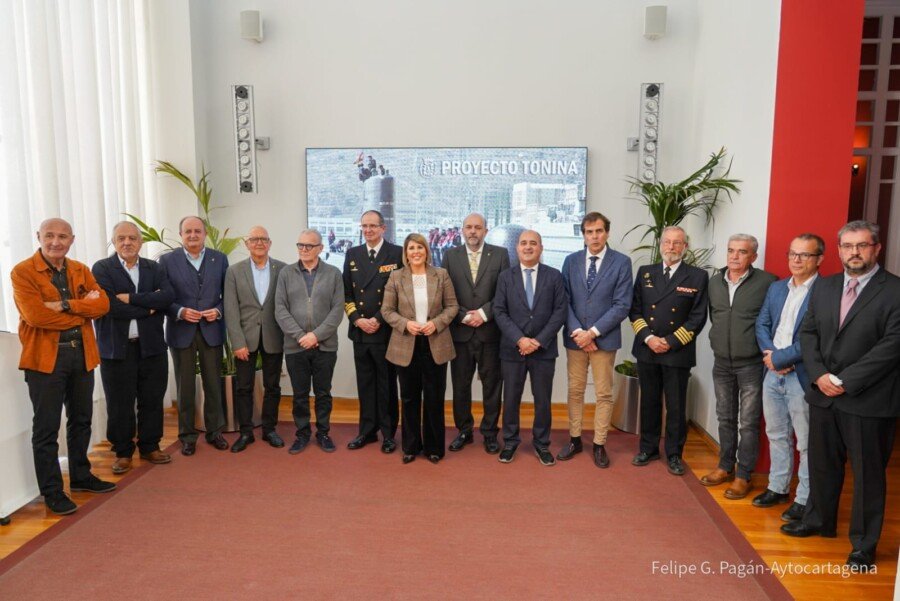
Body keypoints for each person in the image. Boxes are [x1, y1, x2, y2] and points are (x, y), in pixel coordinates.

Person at [782, 221, 900, 570]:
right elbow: (808, 333)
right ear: (838, 250)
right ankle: (819, 520)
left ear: (876, 249)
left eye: (862, 246)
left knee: (867, 476)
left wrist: (846, 380)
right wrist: (819, 375)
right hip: (824, 394)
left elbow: (892, 346)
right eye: (847, 246)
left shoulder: (894, 290)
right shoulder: (826, 287)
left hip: (869, 400)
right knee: (822, 464)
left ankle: (864, 544)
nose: (854, 253)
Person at [11, 218, 114, 515]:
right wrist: (84, 310)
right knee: (46, 428)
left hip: (81, 355)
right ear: (39, 237)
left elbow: (103, 306)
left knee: (81, 419)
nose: (56, 242)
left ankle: (81, 477)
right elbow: (36, 317)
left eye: (62, 237)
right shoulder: (23, 272)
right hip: (45, 360)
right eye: (50, 236)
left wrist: (66, 305)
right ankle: (52, 492)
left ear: (72, 240)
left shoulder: (80, 269)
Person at [92, 221, 175, 474]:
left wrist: (132, 299)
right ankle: (123, 452)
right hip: (116, 349)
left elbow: (167, 297)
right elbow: (109, 307)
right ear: (114, 242)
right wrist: (149, 307)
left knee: (151, 399)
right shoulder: (102, 268)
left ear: (140, 242)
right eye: (121, 238)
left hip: (151, 347)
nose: (127, 242)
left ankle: (150, 446)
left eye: (132, 238)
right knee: (120, 402)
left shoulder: (154, 267)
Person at [701, 234, 777, 499]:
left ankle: (744, 475)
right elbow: (715, 317)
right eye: (731, 250)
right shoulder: (714, 283)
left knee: (748, 422)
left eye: (741, 252)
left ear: (753, 257)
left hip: (751, 365)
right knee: (725, 417)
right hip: (721, 362)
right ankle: (725, 467)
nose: (734, 256)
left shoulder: (768, 283)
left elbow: (772, 322)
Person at [754, 233, 823, 520]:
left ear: (819, 259)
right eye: (792, 253)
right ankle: (778, 487)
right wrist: (771, 356)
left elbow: (816, 337)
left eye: (804, 255)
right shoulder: (777, 288)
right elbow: (762, 323)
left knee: (805, 441)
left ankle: (804, 498)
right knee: (776, 434)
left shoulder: (825, 292)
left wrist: (782, 359)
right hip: (772, 373)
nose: (796, 259)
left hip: (801, 374)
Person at [630, 226, 709, 476]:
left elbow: (698, 317)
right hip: (648, 349)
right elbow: (635, 310)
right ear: (661, 244)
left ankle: (674, 454)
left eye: (677, 243)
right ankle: (648, 448)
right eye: (667, 242)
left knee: (675, 407)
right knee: (650, 402)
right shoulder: (646, 273)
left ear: (685, 247)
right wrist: (650, 338)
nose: (671, 247)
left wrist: (671, 342)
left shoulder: (697, 276)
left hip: (677, 351)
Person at [559, 212, 632, 467]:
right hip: (575, 339)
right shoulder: (570, 261)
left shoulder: (622, 262)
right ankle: (575, 439)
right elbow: (564, 301)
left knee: (603, 393)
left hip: (604, 339)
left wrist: (593, 333)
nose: (594, 236)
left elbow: (622, 304)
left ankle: (599, 443)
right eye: (589, 232)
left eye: (599, 231)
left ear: (607, 232)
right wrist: (580, 332)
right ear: (583, 235)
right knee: (575, 390)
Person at [381, 233, 459, 464]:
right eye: (411, 248)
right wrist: (406, 324)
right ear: (406, 253)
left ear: (426, 251)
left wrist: (436, 323)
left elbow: (453, 306)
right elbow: (387, 311)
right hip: (406, 344)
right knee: (409, 398)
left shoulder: (441, 275)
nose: (416, 252)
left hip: (435, 343)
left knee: (434, 398)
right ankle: (411, 446)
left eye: (420, 248)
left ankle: (434, 448)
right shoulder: (396, 277)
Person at [493, 230, 568, 466]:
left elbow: (560, 312)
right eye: (523, 243)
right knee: (511, 398)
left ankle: (541, 443)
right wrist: (520, 339)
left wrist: (538, 341)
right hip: (512, 349)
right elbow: (499, 311)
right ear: (516, 248)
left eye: (533, 243)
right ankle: (511, 442)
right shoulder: (505, 277)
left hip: (543, 350)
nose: (528, 247)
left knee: (542, 399)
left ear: (541, 248)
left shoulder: (554, 276)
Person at [159, 216, 230, 455]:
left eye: (197, 231)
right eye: (188, 231)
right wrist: (179, 311)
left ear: (205, 233)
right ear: (181, 234)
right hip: (181, 331)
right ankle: (187, 436)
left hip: (211, 330)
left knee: (213, 384)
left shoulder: (219, 259)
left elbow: (226, 295)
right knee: (185, 386)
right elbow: (162, 297)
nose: (192, 235)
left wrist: (218, 311)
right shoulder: (167, 261)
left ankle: (215, 432)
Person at [443, 213, 510, 454]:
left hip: (490, 332)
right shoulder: (450, 256)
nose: (473, 231)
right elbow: (445, 293)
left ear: (485, 230)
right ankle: (464, 431)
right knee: (460, 386)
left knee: (492, 386)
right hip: (460, 333)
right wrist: (463, 315)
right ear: (462, 230)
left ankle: (490, 433)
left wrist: (483, 314)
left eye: (477, 228)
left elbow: (505, 291)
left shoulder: (500, 255)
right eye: (469, 227)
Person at [275, 229, 345, 454]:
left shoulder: (334, 273)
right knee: (300, 394)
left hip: (325, 346)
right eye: (300, 245)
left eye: (309, 246)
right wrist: (300, 336)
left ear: (320, 249)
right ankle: (302, 433)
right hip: (295, 346)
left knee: (323, 392)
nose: (304, 249)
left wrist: (316, 335)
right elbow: (280, 309)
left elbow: (337, 310)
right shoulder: (286, 273)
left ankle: (323, 433)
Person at [342, 210, 402, 453]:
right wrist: (357, 319)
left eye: (373, 226)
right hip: (360, 332)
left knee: (386, 385)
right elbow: (347, 292)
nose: (368, 230)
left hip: (385, 330)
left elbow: (400, 292)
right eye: (364, 226)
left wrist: (378, 318)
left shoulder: (396, 253)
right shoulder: (353, 254)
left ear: (383, 228)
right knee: (365, 384)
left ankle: (388, 434)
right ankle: (366, 431)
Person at [224, 226, 287, 453]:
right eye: (254, 239)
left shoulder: (283, 269)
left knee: (273, 387)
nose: (259, 243)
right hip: (245, 341)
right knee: (243, 387)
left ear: (269, 243)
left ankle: (269, 430)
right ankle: (246, 432)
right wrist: (237, 342)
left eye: (263, 239)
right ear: (246, 244)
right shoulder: (234, 272)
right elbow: (231, 310)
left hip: (274, 337)